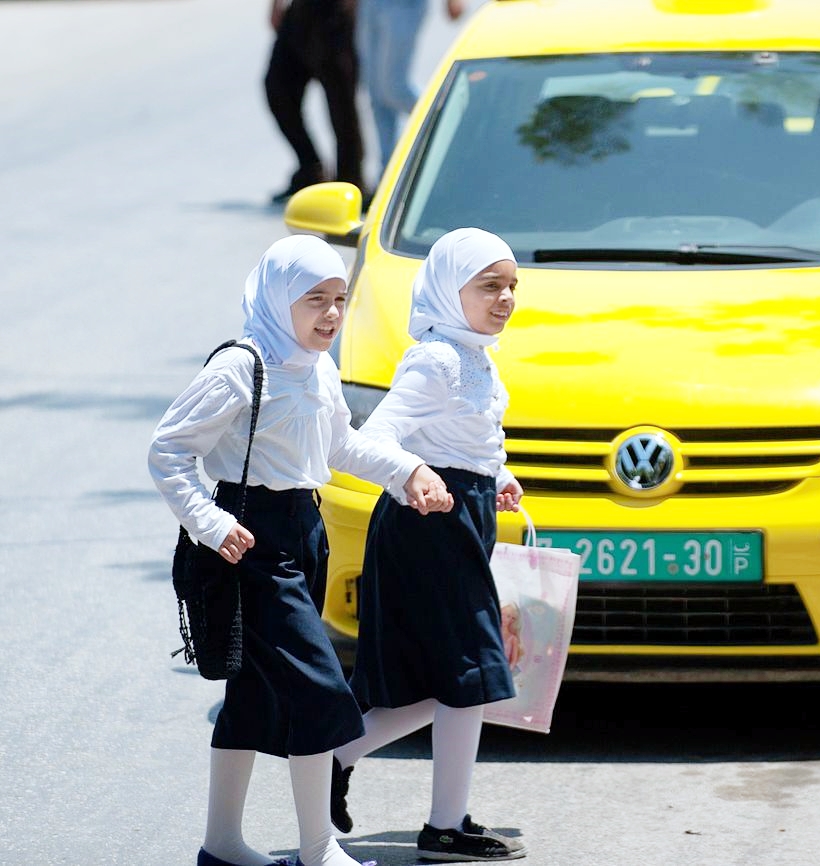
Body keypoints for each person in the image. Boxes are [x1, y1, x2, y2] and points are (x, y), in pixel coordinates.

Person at [148, 234, 454, 866]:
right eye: (315, 300)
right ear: (279, 298)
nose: (331, 315)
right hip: (248, 543)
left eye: (340, 299)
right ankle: (319, 851)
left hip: (303, 532)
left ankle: (223, 848)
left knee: (254, 695)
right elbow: (169, 450)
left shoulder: (315, 366)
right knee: (319, 691)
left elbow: (340, 445)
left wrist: (408, 472)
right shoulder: (241, 366)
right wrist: (208, 521)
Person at [330, 227, 528, 861]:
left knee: (455, 675)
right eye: (490, 286)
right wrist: (414, 475)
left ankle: (342, 754)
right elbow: (377, 436)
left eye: (511, 287)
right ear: (450, 289)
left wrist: (496, 476)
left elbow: (467, 439)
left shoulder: (477, 355)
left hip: (462, 517)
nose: (505, 300)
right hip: (427, 528)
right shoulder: (436, 358)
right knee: (469, 671)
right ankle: (443, 828)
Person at [265, 0, 366, 203]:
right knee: (278, 88)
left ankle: (350, 183)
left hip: (336, 12)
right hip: (299, 12)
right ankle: (311, 170)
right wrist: (276, 4)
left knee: (341, 104)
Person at [356, 0, 465, 185]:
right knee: (376, 95)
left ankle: (455, 123)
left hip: (404, 5)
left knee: (395, 88)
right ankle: (388, 179)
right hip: (370, 5)